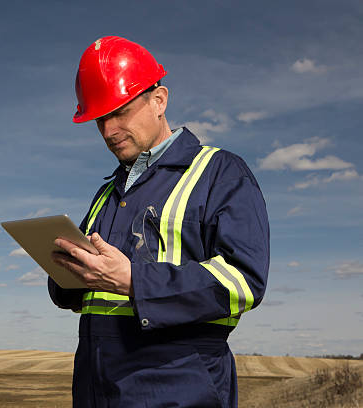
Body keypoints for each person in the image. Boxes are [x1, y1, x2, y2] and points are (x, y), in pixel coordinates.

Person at [48, 36, 269, 408]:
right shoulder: (107, 192)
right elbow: (89, 293)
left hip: (178, 392)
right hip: (96, 390)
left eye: (120, 112)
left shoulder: (219, 173)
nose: (108, 131)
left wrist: (135, 280)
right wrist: (66, 272)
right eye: (101, 119)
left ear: (159, 100)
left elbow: (244, 281)